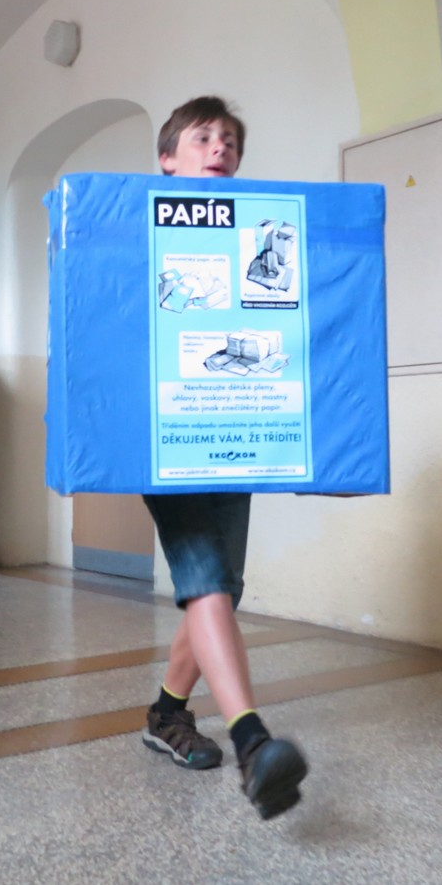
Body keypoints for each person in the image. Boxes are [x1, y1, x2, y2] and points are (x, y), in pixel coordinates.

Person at [139, 96, 308, 821]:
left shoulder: (260, 243)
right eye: (203, 137)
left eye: (230, 140)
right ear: (167, 160)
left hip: (233, 432)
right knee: (205, 579)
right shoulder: (136, 232)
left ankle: (165, 714)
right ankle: (252, 742)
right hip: (165, 438)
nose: (220, 147)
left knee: (219, 587)